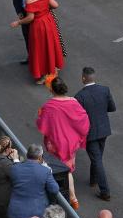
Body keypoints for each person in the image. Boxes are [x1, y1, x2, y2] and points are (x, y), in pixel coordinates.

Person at [36, 78, 89, 208]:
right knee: (67, 168)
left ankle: (66, 197)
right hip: (70, 142)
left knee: (58, 169)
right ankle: (71, 196)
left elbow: (42, 123)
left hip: (54, 142)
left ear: (52, 90)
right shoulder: (74, 102)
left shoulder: (49, 106)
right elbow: (83, 119)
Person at [9, 0, 64, 84]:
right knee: (50, 45)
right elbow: (55, 5)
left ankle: (44, 75)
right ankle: (53, 69)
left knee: (40, 49)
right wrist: (45, 10)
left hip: (38, 26)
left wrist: (18, 22)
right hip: (48, 21)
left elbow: (30, 18)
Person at [75, 67, 116, 200]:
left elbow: (77, 117)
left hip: (89, 133)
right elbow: (112, 107)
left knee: (97, 160)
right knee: (97, 158)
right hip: (104, 130)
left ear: (83, 78)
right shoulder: (105, 90)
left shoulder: (79, 96)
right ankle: (93, 179)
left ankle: (105, 191)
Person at [8, 145, 59, 218]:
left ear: (27, 155)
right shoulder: (45, 171)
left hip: (16, 212)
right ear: (40, 157)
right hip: (35, 214)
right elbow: (54, 189)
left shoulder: (15, 168)